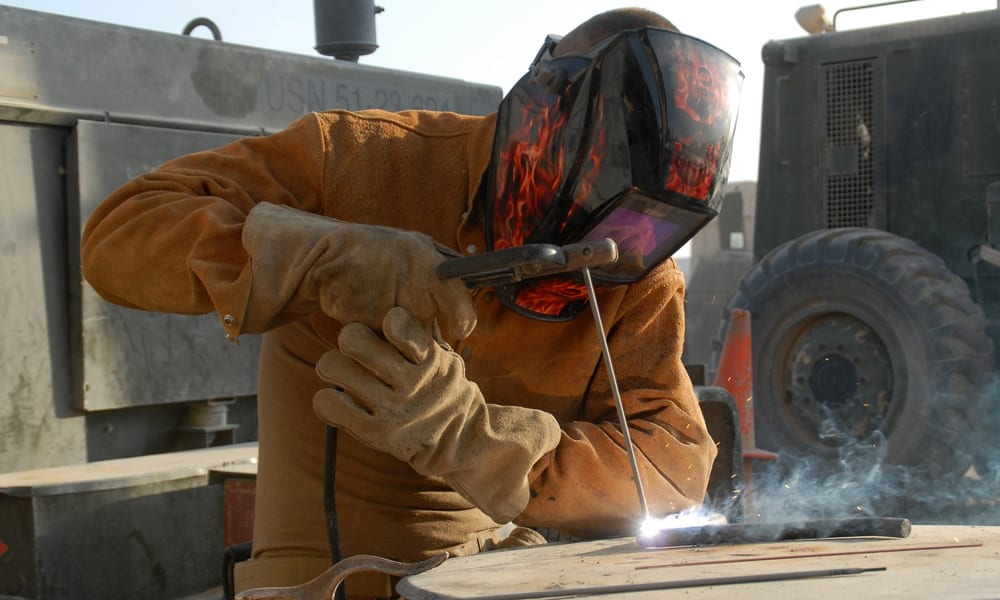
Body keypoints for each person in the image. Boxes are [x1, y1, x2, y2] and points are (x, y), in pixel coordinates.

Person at [81, 7, 742, 598]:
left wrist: (477, 441)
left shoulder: (634, 264)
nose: (578, 262)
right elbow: (119, 237)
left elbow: (671, 463)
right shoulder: (360, 162)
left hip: (500, 575)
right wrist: (325, 253)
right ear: (537, 115)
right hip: (321, 580)